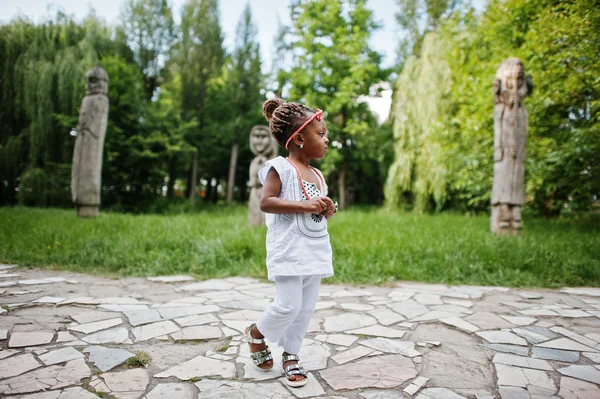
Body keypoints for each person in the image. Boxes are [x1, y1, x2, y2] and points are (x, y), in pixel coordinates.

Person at [244, 98, 336, 388]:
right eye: (320, 134)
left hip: (314, 250)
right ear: (298, 139)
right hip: (288, 251)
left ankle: (291, 354)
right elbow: (267, 202)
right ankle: (257, 333)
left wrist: (327, 208)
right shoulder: (279, 169)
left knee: (305, 309)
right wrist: (307, 205)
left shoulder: (318, 175)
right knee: (287, 306)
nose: (326, 139)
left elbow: (315, 213)